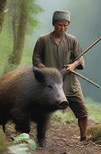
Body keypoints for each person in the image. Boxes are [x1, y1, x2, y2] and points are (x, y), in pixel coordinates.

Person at [32, 10, 88, 141]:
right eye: (59, 25)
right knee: (42, 113)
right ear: (53, 24)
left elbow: (80, 59)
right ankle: (40, 138)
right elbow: (36, 60)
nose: (62, 28)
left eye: (65, 25)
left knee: (82, 112)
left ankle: (84, 138)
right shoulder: (42, 40)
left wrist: (73, 66)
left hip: (70, 83)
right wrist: (47, 71)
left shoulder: (72, 40)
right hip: (50, 86)